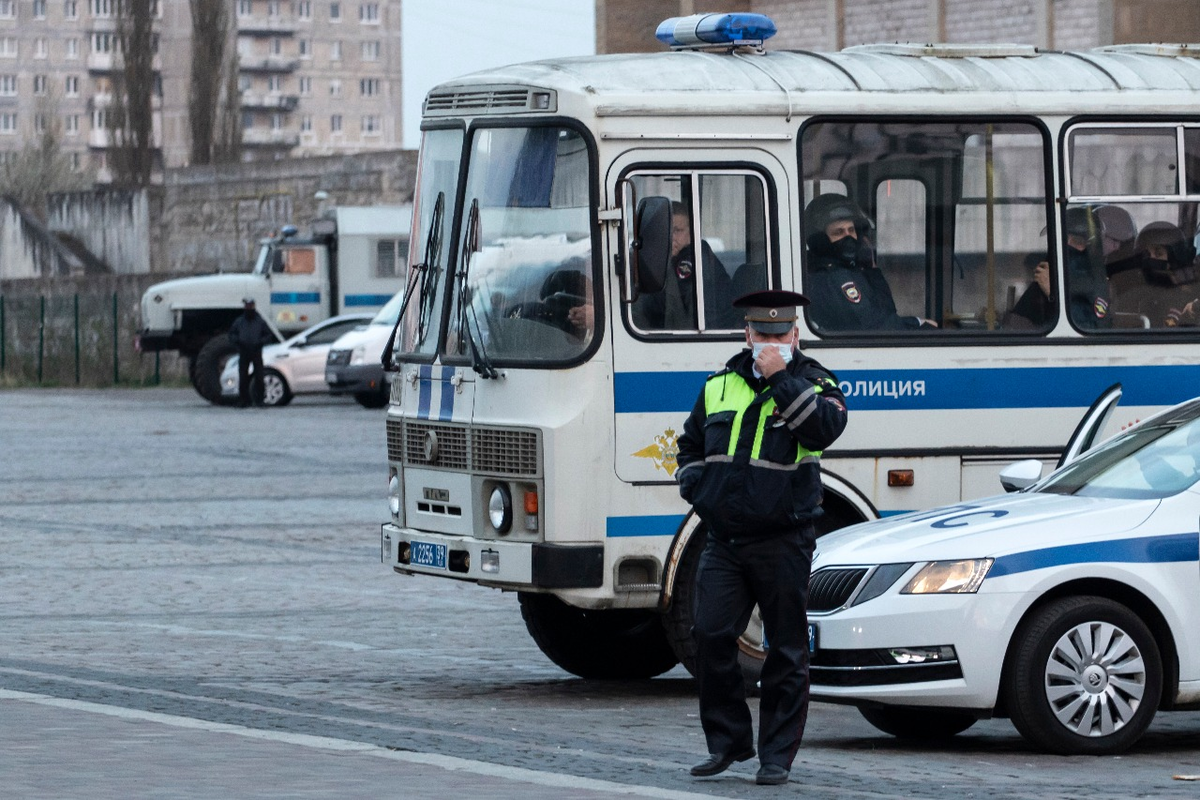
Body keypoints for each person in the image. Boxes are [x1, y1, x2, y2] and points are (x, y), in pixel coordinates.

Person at [676, 289, 848, 786]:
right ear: (747, 335)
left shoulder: (815, 382)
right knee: (709, 635)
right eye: (763, 335)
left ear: (796, 335)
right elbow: (689, 444)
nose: (772, 342)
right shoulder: (719, 385)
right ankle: (729, 743)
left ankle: (776, 755)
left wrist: (780, 378)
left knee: (786, 650)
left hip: (784, 539)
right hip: (724, 538)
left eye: (781, 334)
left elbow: (822, 431)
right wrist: (696, 485)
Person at [802, 194, 936, 330]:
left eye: (852, 230)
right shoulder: (834, 277)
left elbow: (885, 312)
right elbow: (875, 327)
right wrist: (918, 324)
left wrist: (871, 270)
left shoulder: (851, 270)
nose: (848, 238)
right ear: (821, 241)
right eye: (839, 232)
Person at [633, 201, 738, 330]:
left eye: (678, 230)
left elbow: (668, 307)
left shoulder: (694, 259)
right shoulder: (665, 257)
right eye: (665, 230)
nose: (671, 236)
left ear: (692, 233)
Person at [1008, 206, 1112, 330]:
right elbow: (1020, 321)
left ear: (1093, 248)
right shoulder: (1050, 275)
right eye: (1061, 240)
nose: (1067, 247)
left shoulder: (1096, 284)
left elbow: (1089, 331)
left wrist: (1054, 293)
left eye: (1077, 241)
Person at [1110, 221, 1200, 328]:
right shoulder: (1130, 293)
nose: (1150, 259)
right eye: (1146, 254)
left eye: (1158, 254)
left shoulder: (1190, 300)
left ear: (1174, 259)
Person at [228, 297, 274, 407]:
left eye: (250, 306)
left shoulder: (260, 321)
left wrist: (260, 342)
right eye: (247, 306)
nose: (249, 308)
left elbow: (268, 335)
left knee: (259, 377)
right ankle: (244, 400)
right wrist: (238, 342)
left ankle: (260, 400)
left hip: (256, 352)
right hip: (243, 352)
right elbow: (231, 334)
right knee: (243, 377)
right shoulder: (239, 321)